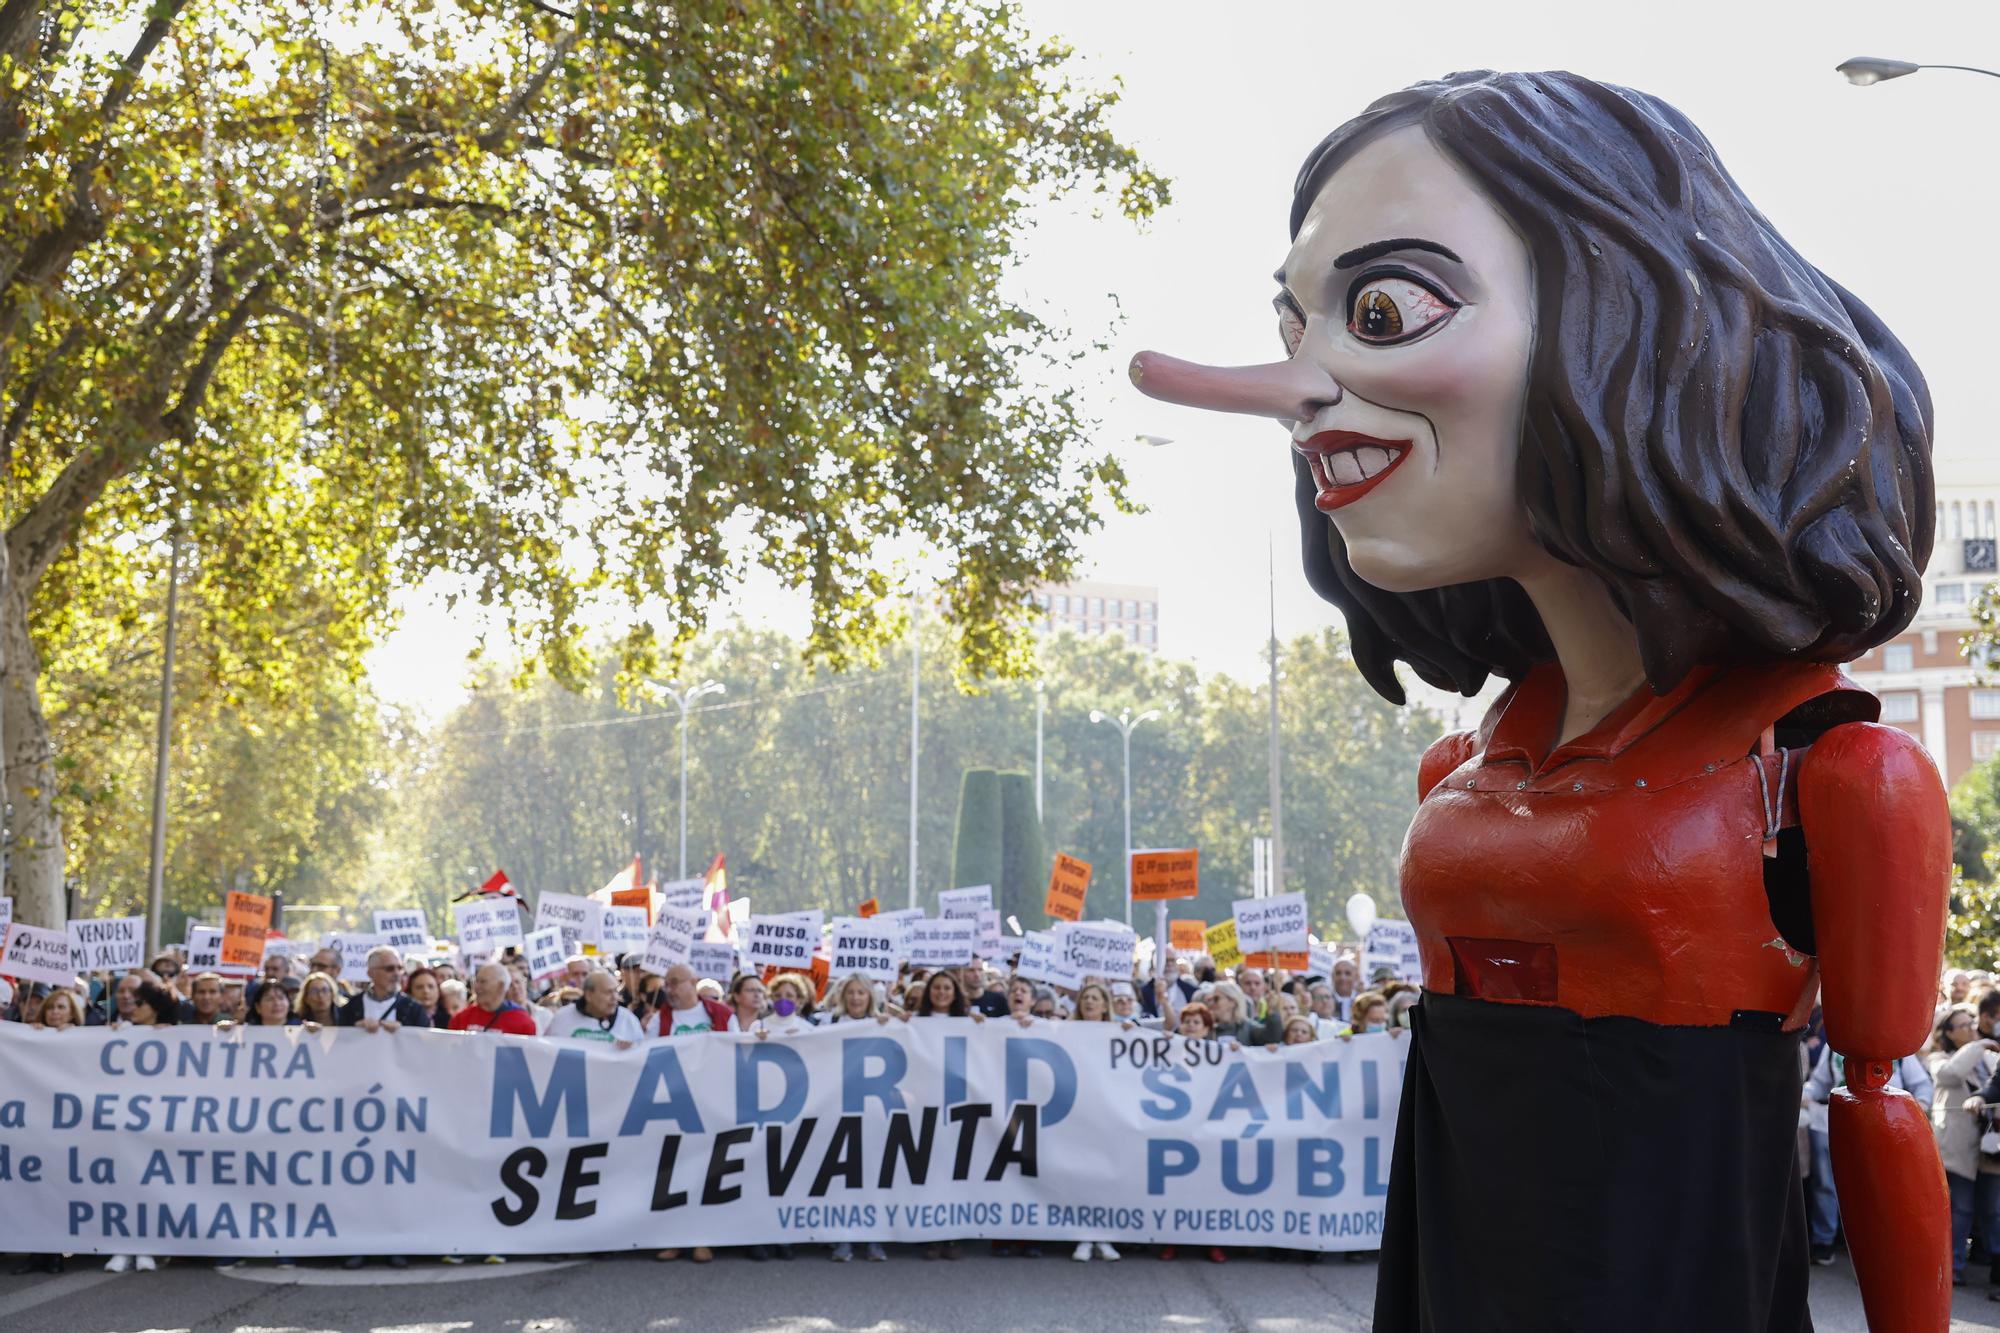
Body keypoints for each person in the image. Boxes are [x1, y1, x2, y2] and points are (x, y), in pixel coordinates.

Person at [1929, 1005, 2000, 1287]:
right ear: (1948, 1033)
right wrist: (1979, 1044)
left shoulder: (1988, 1060)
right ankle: (1951, 1268)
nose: (1971, 1028)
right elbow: (1950, 1074)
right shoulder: (1938, 1057)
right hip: (1956, 1151)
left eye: (1972, 1024)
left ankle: (1985, 1262)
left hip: (1987, 1151)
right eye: (1964, 1025)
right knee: (1959, 1210)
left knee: (1989, 1209)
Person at [546, 970, 643, 1046]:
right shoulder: (562, 1017)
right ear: (589, 995)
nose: (614, 998)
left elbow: (641, 1055)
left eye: (615, 991)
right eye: (608, 992)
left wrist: (632, 1048)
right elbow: (548, 1051)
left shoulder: (628, 1019)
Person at [643, 964, 734, 1038]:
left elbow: (737, 1049)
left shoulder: (723, 1014)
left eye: (674, 983)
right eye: (666, 985)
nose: (669, 990)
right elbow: (649, 1053)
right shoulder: (659, 1019)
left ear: (693, 982)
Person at [449, 962, 539, 1036]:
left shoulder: (523, 1023)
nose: (477, 987)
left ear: (501, 986)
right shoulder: (460, 1019)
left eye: (483, 982)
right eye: (476, 981)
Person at [1208, 983, 1279, 1046]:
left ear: (1232, 1002)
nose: (1211, 1003)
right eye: (1210, 999)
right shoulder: (1204, 1027)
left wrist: (1272, 1011)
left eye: (1216, 999)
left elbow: (1271, 1038)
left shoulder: (1247, 1028)